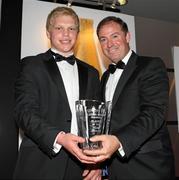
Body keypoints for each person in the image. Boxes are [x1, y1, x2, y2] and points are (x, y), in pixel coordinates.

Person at [13, 6, 101, 180]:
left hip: (81, 166)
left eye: (71, 28)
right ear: (48, 33)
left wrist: (96, 162)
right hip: (41, 163)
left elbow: (95, 122)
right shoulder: (32, 65)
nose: (66, 34)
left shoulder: (91, 72)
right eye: (59, 28)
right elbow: (24, 113)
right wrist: (59, 138)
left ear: (77, 33)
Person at [83, 16, 175, 180]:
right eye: (103, 39)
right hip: (114, 168)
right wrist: (96, 163)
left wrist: (118, 141)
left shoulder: (150, 65)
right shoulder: (104, 77)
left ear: (127, 37)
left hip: (148, 165)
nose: (109, 44)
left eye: (115, 36)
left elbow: (155, 113)